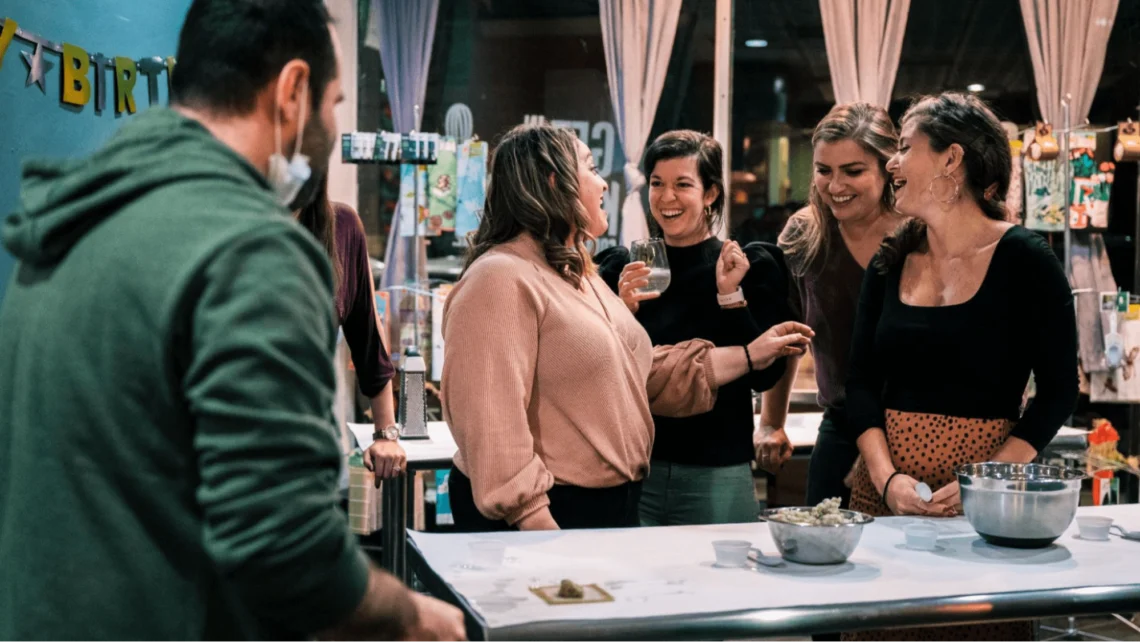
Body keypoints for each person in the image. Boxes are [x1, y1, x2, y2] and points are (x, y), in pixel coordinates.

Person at [0, 2, 464, 641]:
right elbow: (287, 551)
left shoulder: (70, 221)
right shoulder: (251, 251)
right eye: (333, 104)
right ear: (292, 90)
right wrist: (413, 618)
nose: (331, 125)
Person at [440, 124, 813, 532]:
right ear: (554, 181)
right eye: (592, 168)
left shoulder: (575, 271)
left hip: (609, 506)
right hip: (553, 511)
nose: (604, 184)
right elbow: (494, 424)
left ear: (711, 194)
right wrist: (537, 526)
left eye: (682, 184)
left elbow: (639, 374)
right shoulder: (500, 276)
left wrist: (749, 354)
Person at [843, 92, 1078, 642]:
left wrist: (985, 481)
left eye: (903, 147)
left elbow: (1059, 393)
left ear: (952, 159)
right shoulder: (890, 261)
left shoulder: (1028, 262)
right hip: (883, 497)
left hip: (987, 505)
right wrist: (887, 480)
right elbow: (859, 383)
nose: (891, 163)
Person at [597, 130, 801, 526]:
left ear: (710, 194)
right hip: (636, 468)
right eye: (657, 183)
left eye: (682, 185)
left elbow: (768, 373)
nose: (666, 197)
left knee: (724, 585)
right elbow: (600, 373)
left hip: (718, 471)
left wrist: (731, 297)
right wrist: (621, 311)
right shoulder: (625, 270)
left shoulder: (745, 265)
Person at [757, 103, 904, 515]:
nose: (835, 184)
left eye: (853, 171)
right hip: (841, 429)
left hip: (916, 429)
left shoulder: (917, 231)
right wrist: (772, 423)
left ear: (887, 167)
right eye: (824, 170)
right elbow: (787, 334)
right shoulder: (805, 232)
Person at [296, 176, 406, 482]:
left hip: (309, 443)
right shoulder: (229, 226)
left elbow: (367, 335)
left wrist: (386, 434)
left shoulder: (342, 226)